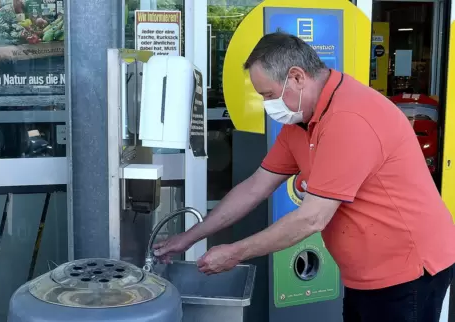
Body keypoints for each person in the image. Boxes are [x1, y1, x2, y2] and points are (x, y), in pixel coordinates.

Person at [153, 32, 455, 321]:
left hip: (408, 271)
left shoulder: (349, 118)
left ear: (297, 77)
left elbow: (312, 218)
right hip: (365, 272)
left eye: (268, 94)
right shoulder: (302, 120)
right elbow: (256, 186)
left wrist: (235, 253)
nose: (266, 104)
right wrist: (189, 238)